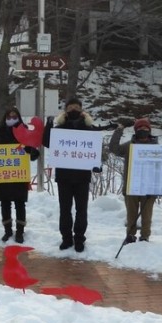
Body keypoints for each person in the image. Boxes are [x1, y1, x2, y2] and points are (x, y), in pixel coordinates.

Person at [44, 97, 103, 253]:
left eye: (77, 107)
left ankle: (79, 239)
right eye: (70, 107)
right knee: (65, 209)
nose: (74, 110)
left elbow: (95, 149)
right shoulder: (59, 128)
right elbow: (47, 142)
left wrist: (96, 165)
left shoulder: (89, 129)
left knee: (81, 209)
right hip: (63, 177)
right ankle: (66, 238)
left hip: (82, 177)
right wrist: (48, 125)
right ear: (65, 110)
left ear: (82, 110)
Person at [0, 106, 41, 243]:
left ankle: (20, 232)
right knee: (4, 203)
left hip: (19, 174)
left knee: (20, 203)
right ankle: (7, 231)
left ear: (19, 118)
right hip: (3, 174)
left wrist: (32, 151)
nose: (11, 119)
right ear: (5, 118)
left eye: (14, 116)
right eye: (9, 117)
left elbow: (33, 152)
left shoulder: (25, 131)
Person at [108, 117, 159, 243]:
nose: (143, 130)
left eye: (145, 128)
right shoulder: (130, 146)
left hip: (149, 186)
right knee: (131, 214)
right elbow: (114, 148)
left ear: (149, 130)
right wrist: (119, 129)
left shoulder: (157, 148)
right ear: (135, 130)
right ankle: (130, 235)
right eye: (140, 128)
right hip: (132, 185)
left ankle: (145, 236)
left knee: (147, 215)